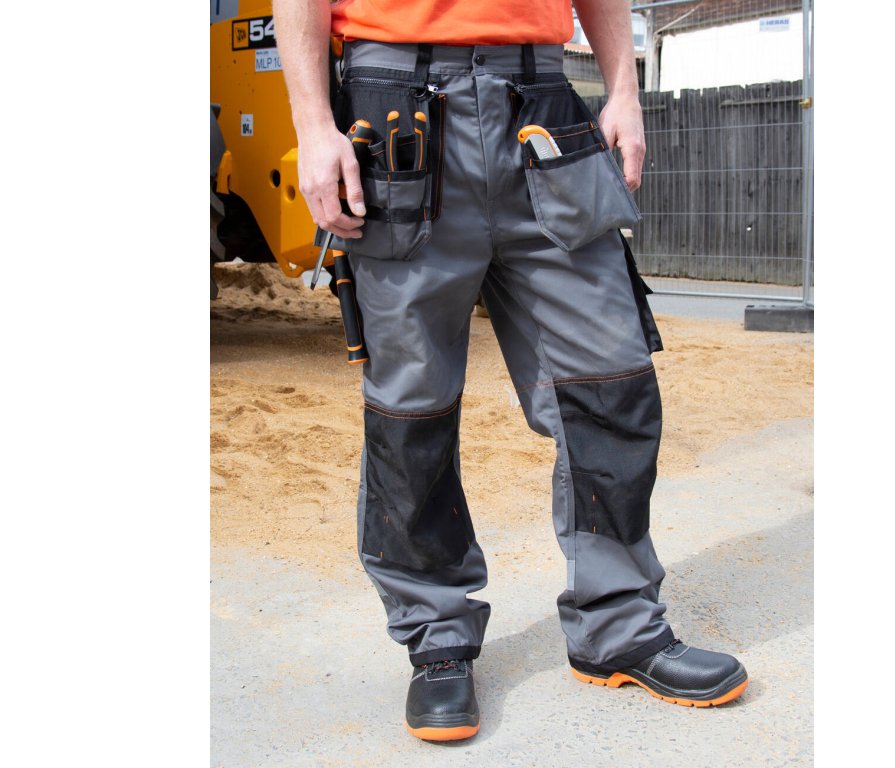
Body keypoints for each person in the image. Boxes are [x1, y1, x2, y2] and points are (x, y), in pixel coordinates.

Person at [274, 0, 748, 742]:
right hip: (397, 115)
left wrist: (624, 90)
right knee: (412, 407)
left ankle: (619, 627)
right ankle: (437, 638)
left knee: (612, 382)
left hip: (543, 105)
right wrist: (311, 124)